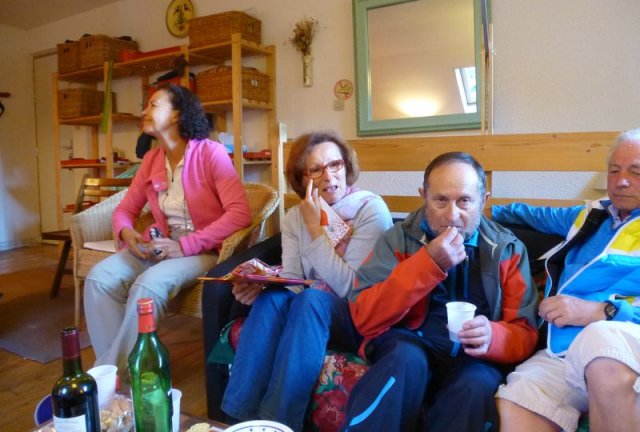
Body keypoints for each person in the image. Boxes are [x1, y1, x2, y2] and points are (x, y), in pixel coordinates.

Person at [343, 152, 539, 432]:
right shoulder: (398, 239)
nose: (452, 215)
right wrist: (428, 264)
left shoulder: (507, 249)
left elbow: (525, 331)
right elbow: (364, 316)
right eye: (440, 201)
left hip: (473, 358)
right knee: (404, 361)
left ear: (483, 201)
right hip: (411, 343)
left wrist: (493, 336)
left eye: (464, 201)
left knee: (477, 385)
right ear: (424, 197)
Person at [221, 131, 393, 431]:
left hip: (357, 315)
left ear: (346, 166)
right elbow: (293, 280)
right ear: (302, 179)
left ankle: (279, 423)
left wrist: (316, 230)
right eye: (316, 169)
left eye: (335, 164)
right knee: (273, 299)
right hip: (309, 311)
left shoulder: (370, 210)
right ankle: (237, 420)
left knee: (311, 299)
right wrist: (261, 282)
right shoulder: (294, 217)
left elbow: (350, 288)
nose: (328, 176)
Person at [84, 84, 251, 372]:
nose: (143, 112)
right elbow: (125, 210)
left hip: (204, 250)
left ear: (176, 114)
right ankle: (123, 373)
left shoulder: (211, 153)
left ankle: (114, 377)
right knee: (98, 279)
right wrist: (127, 232)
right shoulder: (151, 160)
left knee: (148, 285)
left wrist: (185, 245)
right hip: (161, 244)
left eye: (152, 105)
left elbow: (240, 214)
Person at [493, 128, 640, 432]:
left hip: (622, 341)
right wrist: (473, 207)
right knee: (519, 395)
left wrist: (601, 312)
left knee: (600, 341)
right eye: (614, 171)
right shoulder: (590, 216)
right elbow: (532, 215)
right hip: (563, 348)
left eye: (635, 172)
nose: (621, 180)